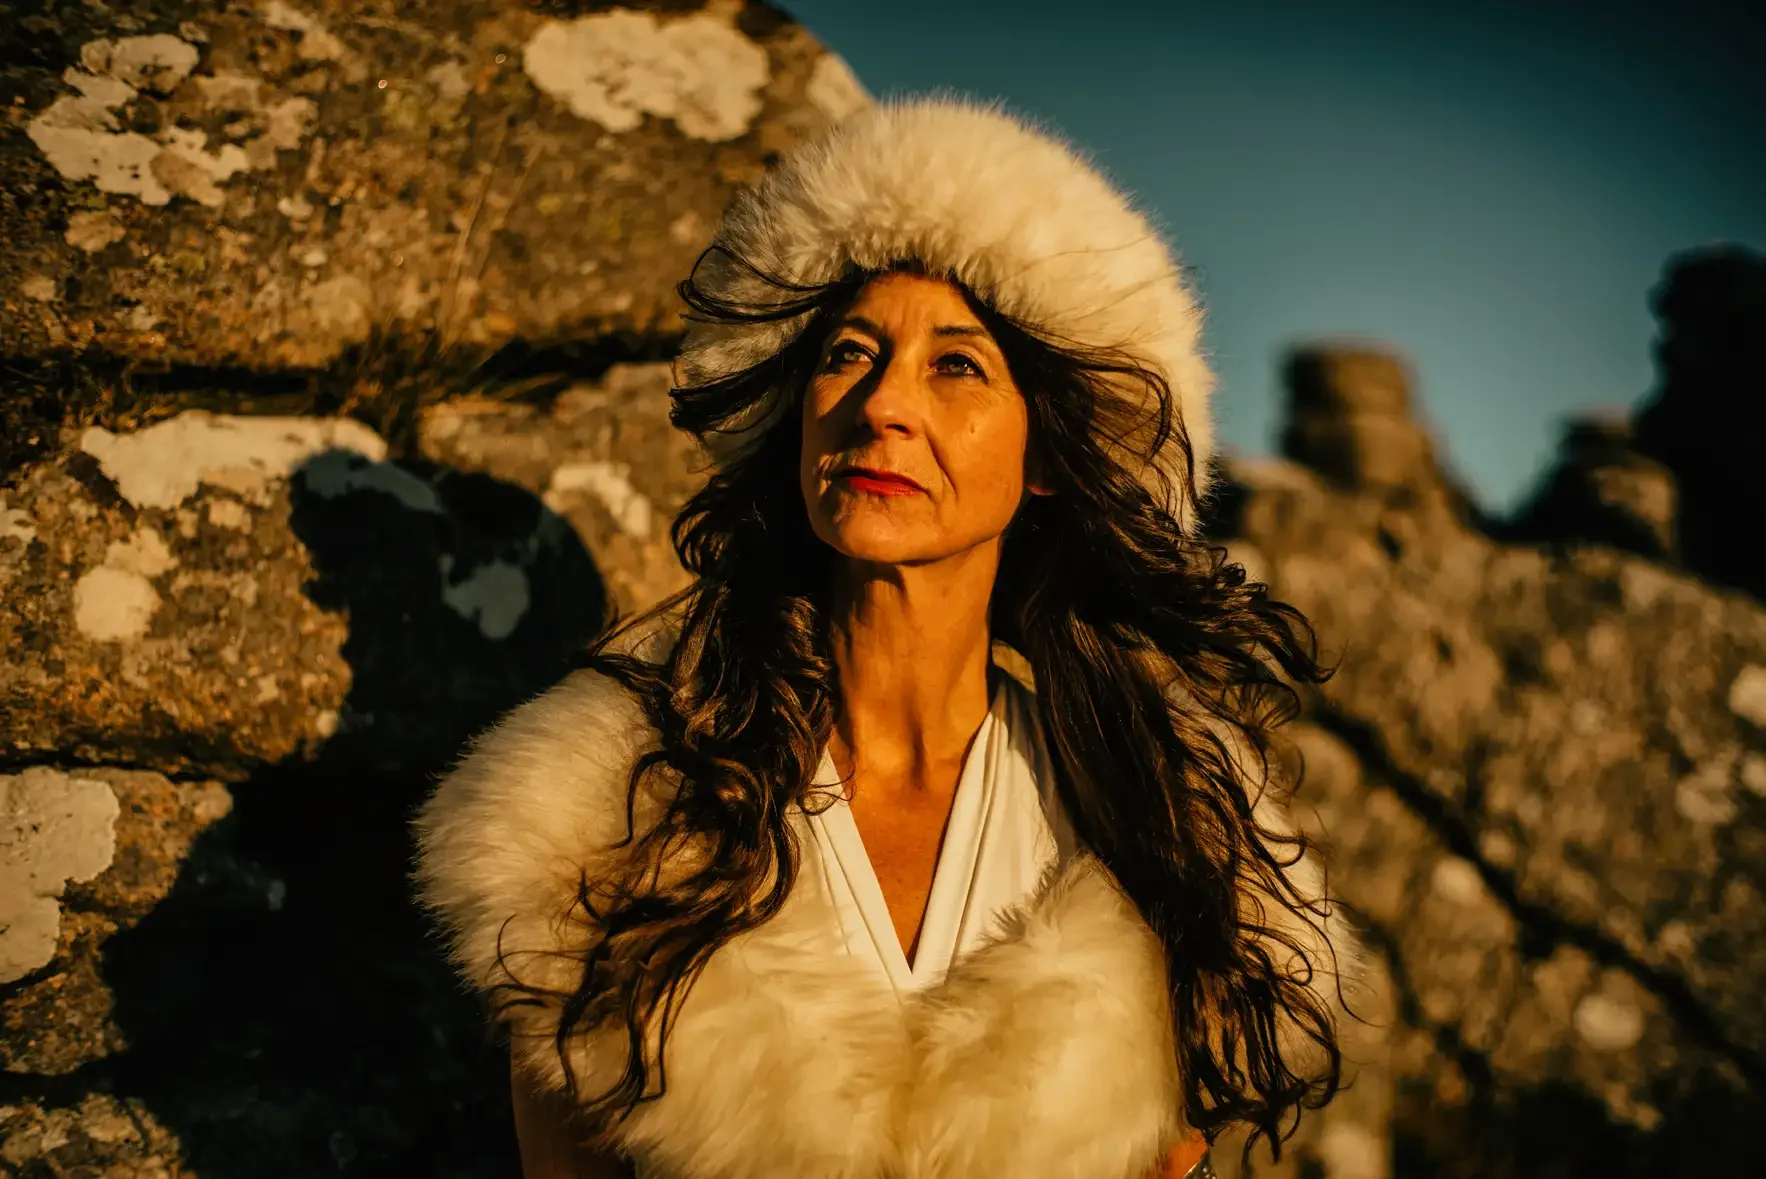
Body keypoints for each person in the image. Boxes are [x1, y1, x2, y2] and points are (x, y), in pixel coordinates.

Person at [415, 96, 1358, 1179]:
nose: (881, 407)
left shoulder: (1161, 834)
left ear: (1049, 457)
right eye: (849, 354)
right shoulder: (603, 820)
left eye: (955, 366)